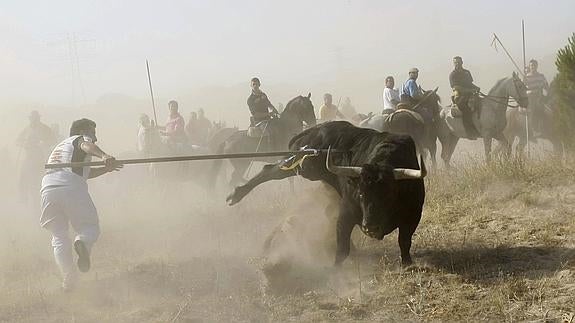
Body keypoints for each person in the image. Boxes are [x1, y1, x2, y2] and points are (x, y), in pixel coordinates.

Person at [41, 118, 122, 291]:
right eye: (93, 133)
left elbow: (84, 172)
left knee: (59, 237)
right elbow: (86, 146)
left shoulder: (61, 147)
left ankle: (69, 280)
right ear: (84, 132)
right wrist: (104, 156)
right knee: (89, 227)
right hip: (70, 186)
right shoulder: (80, 140)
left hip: (48, 188)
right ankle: (83, 243)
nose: (95, 138)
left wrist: (105, 169)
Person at [16, 110, 56, 204]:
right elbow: (17, 141)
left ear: (38, 118)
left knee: (40, 179)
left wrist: (43, 143)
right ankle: (23, 199)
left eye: (35, 118)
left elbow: (53, 140)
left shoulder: (45, 129)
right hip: (28, 157)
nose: (33, 120)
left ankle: (43, 197)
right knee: (22, 178)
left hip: (41, 158)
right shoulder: (27, 129)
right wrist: (24, 143)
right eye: (31, 118)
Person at [449, 56, 480, 139]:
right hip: (460, 97)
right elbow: (456, 87)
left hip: (470, 95)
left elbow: (470, 83)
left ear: (462, 62)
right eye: (455, 63)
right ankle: (470, 132)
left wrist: (477, 88)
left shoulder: (467, 72)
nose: (457, 64)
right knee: (466, 110)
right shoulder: (453, 75)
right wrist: (470, 90)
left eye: (459, 62)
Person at [524, 59, 549, 138]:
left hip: (540, 96)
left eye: (534, 65)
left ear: (537, 66)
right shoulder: (526, 77)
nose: (532, 67)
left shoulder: (541, 76)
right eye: (531, 66)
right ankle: (534, 129)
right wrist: (528, 89)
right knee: (534, 109)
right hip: (531, 97)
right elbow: (522, 89)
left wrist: (548, 93)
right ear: (530, 67)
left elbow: (546, 86)